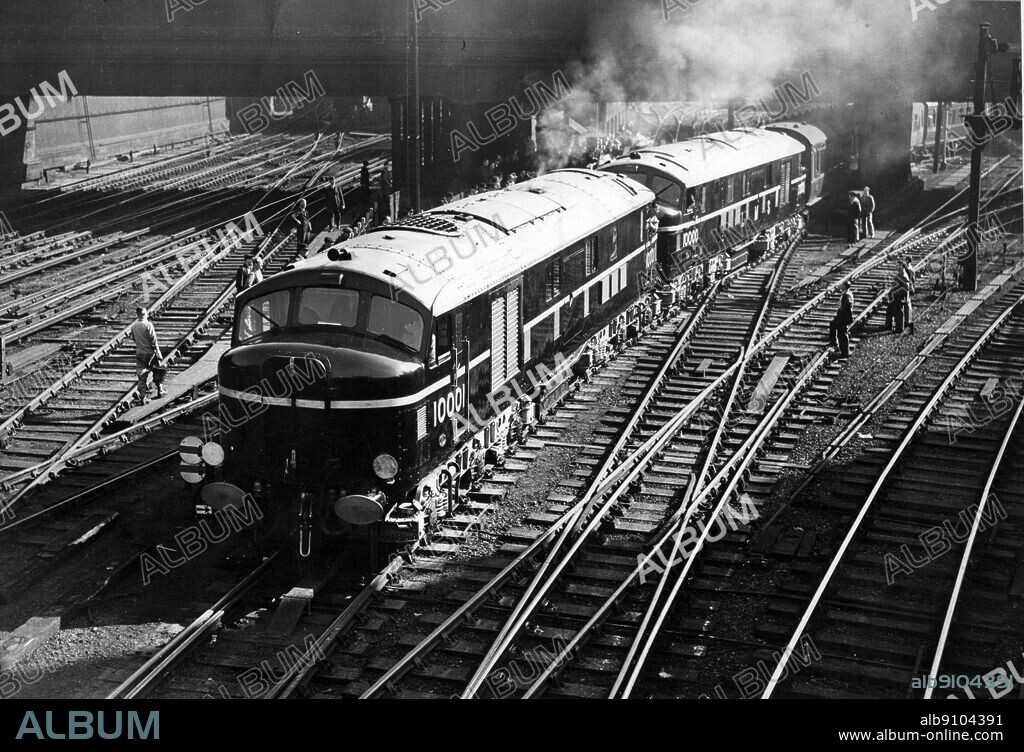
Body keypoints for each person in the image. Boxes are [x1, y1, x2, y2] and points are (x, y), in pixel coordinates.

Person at [131, 307, 164, 402]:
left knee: (141, 375)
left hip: (140, 353)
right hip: (150, 353)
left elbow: (133, 339)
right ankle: (160, 390)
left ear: (138, 315)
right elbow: (153, 340)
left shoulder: (134, 326)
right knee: (158, 371)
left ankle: (143, 396)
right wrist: (158, 353)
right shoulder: (148, 325)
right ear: (145, 314)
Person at [829, 282, 854, 359]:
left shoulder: (846, 295)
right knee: (833, 325)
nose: (840, 286)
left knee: (842, 334)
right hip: (841, 315)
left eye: (841, 285)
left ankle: (845, 353)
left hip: (843, 316)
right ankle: (835, 344)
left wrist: (848, 317)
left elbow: (848, 306)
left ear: (844, 286)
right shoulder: (846, 293)